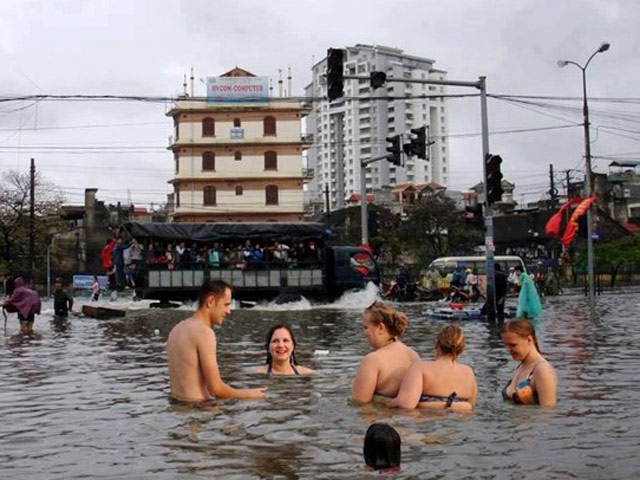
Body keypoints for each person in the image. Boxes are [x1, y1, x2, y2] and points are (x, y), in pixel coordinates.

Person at [166, 280, 266, 403]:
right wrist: (250, 394)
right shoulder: (204, 333)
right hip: (199, 410)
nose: (228, 311)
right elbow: (216, 389)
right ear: (211, 301)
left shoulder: (177, 329)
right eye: (226, 304)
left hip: (177, 408)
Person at [389, 325, 477, 412]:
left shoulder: (420, 368)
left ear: (437, 345)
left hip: (425, 421)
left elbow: (407, 405)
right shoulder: (469, 372)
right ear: (461, 349)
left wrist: (389, 404)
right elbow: (471, 407)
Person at [351, 301, 419, 403]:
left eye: (366, 327)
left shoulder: (373, 360)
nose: (365, 333)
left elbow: (359, 403)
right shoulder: (413, 355)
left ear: (381, 328)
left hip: (381, 416)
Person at [501, 319, 557, 406]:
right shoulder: (520, 366)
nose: (508, 350)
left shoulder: (542, 370)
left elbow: (548, 414)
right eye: (506, 345)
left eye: (513, 345)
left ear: (529, 340)